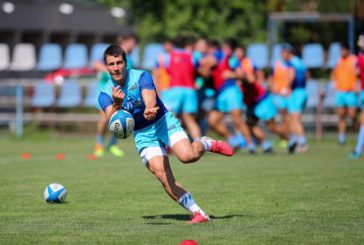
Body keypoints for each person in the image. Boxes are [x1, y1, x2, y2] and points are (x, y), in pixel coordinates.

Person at [98, 45, 234, 224]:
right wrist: (116, 105)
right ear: (106, 66)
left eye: (119, 62)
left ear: (125, 62)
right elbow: (111, 120)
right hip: (142, 134)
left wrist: (148, 108)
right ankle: (198, 213)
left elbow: (150, 97)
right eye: (111, 64)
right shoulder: (105, 94)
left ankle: (206, 143)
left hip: (162, 121)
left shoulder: (141, 76)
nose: (116, 67)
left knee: (188, 156)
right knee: (163, 176)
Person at [204, 39, 256, 153]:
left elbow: (243, 75)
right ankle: (233, 140)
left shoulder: (226, 57)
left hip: (231, 91)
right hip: (220, 93)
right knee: (212, 121)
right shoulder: (221, 58)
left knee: (237, 119)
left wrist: (231, 74)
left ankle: (251, 145)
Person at [92, 34, 138, 157]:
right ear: (126, 41)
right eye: (133, 42)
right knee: (104, 119)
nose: (134, 45)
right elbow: (95, 64)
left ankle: (112, 145)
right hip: (106, 91)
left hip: (121, 93)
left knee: (119, 118)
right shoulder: (111, 53)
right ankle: (99, 144)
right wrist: (109, 70)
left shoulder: (130, 59)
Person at [281, 44, 309, 153]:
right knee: (294, 118)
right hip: (302, 91)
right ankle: (295, 141)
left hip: (297, 92)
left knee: (294, 119)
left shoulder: (291, 63)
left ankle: (302, 143)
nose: (282, 55)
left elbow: (291, 76)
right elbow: (307, 76)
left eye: (284, 52)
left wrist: (286, 88)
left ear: (289, 52)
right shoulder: (300, 61)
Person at [331, 43, 358, 145]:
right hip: (340, 92)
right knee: (341, 115)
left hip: (351, 92)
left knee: (352, 115)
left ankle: (358, 134)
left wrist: (358, 84)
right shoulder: (338, 61)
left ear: (348, 50)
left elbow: (359, 72)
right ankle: (341, 137)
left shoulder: (354, 60)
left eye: (344, 50)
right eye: (341, 50)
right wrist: (334, 83)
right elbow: (333, 73)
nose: (342, 52)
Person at [349, 35, 364, 159]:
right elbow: (357, 74)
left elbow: (356, 73)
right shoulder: (359, 58)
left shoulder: (359, 58)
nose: (359, 43)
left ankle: (358, 149)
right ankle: (358, 148)